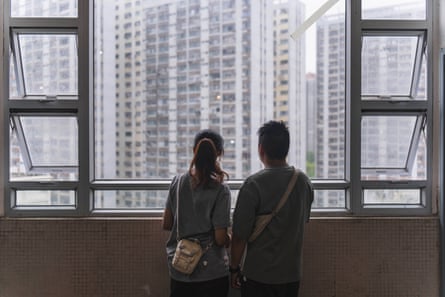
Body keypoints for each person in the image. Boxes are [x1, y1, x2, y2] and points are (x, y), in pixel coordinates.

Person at [230, 120, 314, 297]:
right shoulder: (303, 181)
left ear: (261, 149)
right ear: (286, 149)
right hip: (291, 275)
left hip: (257, 276)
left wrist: (234, 268)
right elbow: (302, 220)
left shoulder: (253, 185)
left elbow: (239, 237)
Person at [162, 129, 232, 297]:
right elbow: (220, 238)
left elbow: (167, 223)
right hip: (212, 274)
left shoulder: (177, 182)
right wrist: (229, 239)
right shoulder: (221, 190)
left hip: (181, 268)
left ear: (194, 151)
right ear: (219, 154)